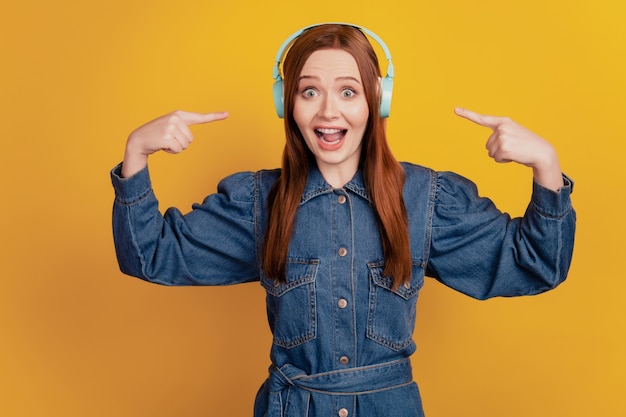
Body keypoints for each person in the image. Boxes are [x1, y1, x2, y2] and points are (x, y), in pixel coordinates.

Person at [110, 23, 576, 417]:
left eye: (348, 92)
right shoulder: (259, 202)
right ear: (286, 104)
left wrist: (546, 165)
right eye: (309, 91)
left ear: (377, 99)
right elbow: (150, 255)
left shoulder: (426, 199)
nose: (328, 111)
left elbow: (535, 265)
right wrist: (136, 152)